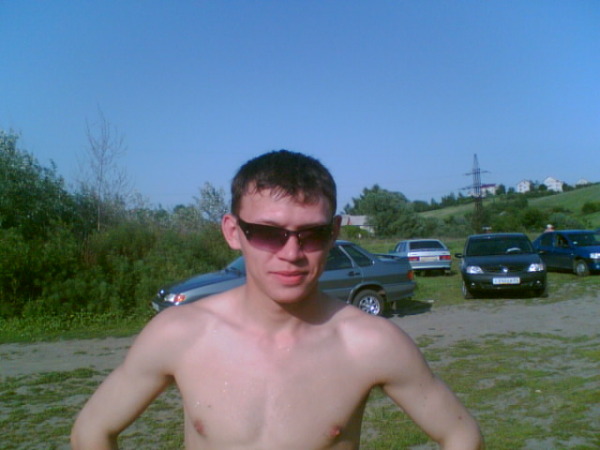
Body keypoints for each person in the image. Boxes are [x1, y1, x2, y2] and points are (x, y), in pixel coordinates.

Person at [71, 150, 483, 449]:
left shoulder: (369, 343)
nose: (291, 253)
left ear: (334, 233)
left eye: (311, 234)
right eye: (269, 233)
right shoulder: (180, 334)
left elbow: (460, 433)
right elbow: (92, 430)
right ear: (233, 232)